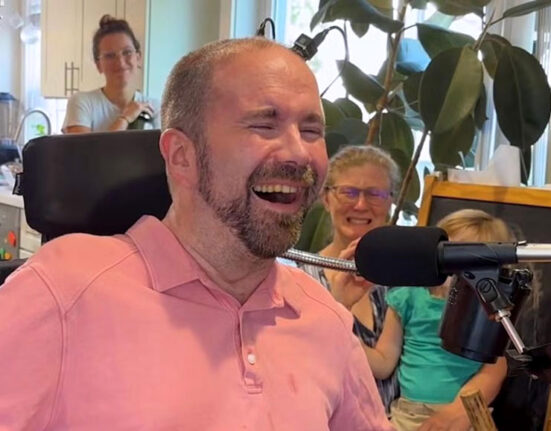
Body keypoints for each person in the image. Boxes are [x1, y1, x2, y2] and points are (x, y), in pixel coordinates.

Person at [0, 38, 393, 430]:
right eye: (263, 124)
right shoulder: (63, 292)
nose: (299, 153)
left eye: (311, 130)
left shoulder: (323, 318)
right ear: (181, 156)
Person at [363, 209, 511, 431]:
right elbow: (384, 361)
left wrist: (458, 412)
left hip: (466, 416)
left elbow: (495, 369)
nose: (454, 270)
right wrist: (347, 338)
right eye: (447, 256)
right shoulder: (407, 297)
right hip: (409, 414)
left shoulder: (487, 308)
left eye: (467, 264)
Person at [296, 144, 401, 413]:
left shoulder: (406, 280)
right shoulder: (296, 277)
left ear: (391, 202)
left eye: (375, 194)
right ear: (327, 198)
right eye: (349, 192)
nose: (361, 204)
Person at [62, 14, 160, 133]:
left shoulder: (156, 108)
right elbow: (84, 151)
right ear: (99, 65)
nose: (120, 62)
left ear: (138, 58)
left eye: (127, 52)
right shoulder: (82, 103)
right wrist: (124, 118)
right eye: (110, 56)